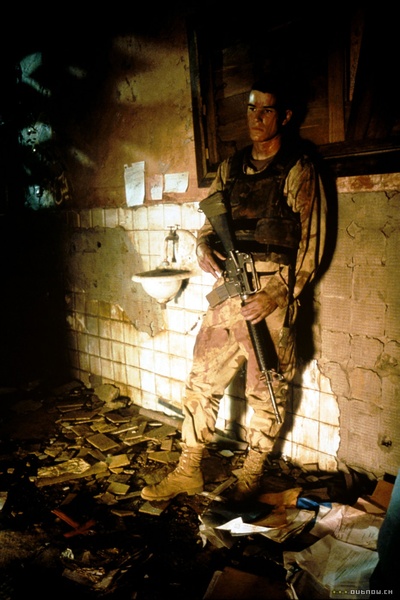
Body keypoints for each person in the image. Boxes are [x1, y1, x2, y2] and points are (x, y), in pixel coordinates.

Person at [141, 74, 327, 503]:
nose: (256, 119)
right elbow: (209, 224)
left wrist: (278, 293)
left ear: (285, 116)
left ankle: (250, 476)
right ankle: (188, 469)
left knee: (267, 390)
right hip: (229, 289)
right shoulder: (230, 168)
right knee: (200, 381)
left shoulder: (299, 167)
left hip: (271, 295)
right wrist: (203, 247)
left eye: (266, 110)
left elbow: (312, 242)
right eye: (250, 109)